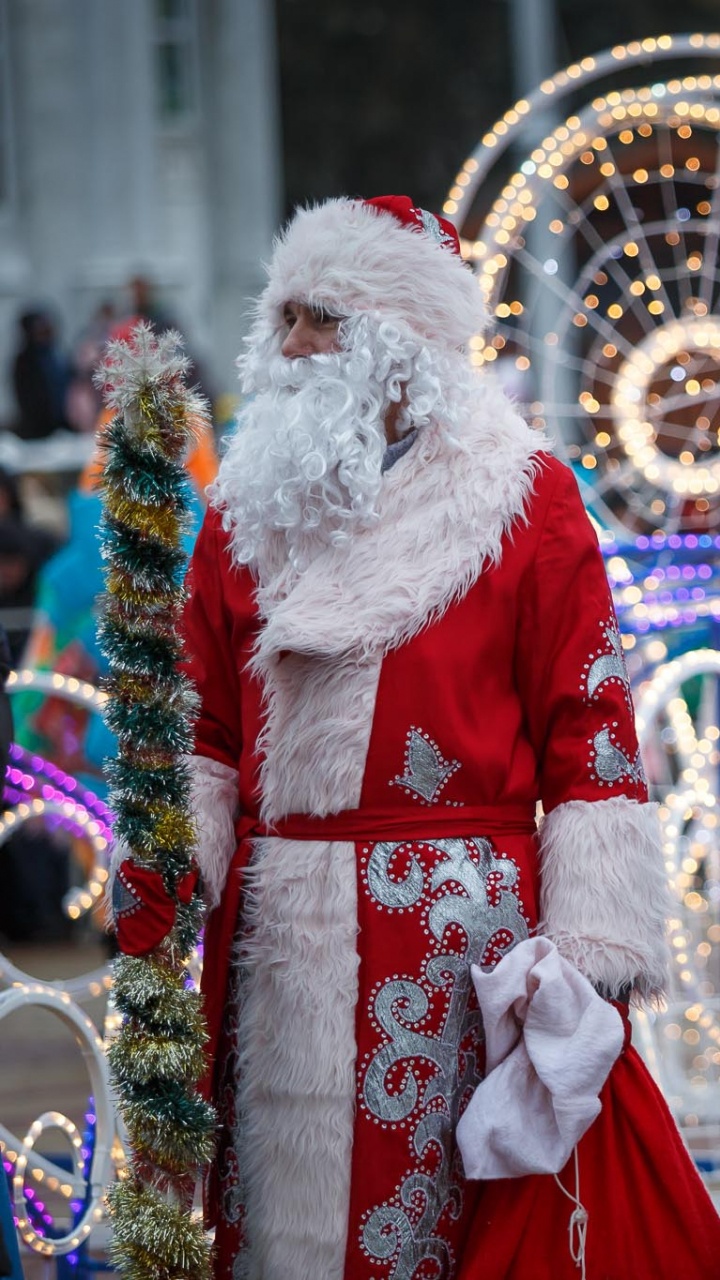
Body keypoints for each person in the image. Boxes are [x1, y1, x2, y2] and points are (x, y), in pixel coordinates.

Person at [113, 196, 720, 1279]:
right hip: (270, 935)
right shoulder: (244, 510)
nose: (288, 345)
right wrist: (170, 851)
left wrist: (586, 962)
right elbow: (204, 725)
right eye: (283, 315)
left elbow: (592, 735)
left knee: (441, 1238)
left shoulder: (524, 501)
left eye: (321, 319)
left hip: (455, 954)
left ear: (401, 338)